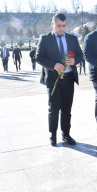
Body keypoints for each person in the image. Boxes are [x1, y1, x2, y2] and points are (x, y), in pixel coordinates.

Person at [36, 13, 83, 146]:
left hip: (68, 78)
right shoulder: (45, 38)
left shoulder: (72, 38)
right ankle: (53, 134)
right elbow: (39, 57)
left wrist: (74, 60)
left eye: (63, 26)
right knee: (54, 107)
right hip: (52, 79)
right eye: (58, 26)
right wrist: (53, 65)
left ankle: (66, 134)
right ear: (53, 24)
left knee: (67, 108)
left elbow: (80, 55)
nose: (61, 28)